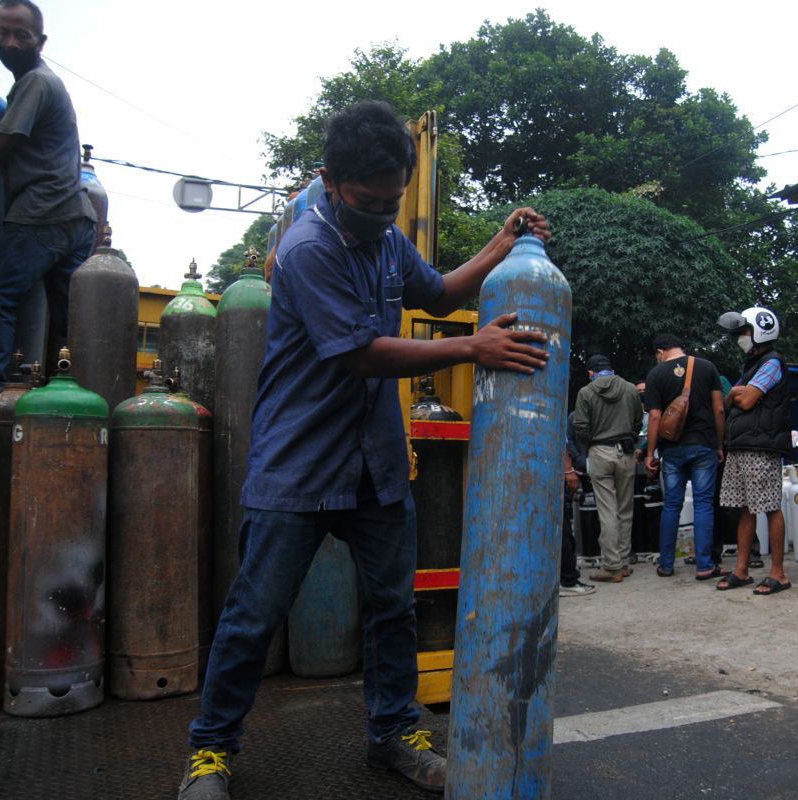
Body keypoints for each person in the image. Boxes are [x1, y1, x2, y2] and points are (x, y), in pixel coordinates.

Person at [178, 101, 552, 800]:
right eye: (370, 201)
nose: (384, 214)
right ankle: (209, 753)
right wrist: (474, 347)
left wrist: (500, 245)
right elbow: (359, 354)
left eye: (394, 202)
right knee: (254, 616)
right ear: (330, 180)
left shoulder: (382, 237)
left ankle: (392, 734)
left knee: (392, 609)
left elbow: (437, 292)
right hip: (298, 463)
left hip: (375, 462)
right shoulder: (309, 247)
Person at [0, 0, 96, 393]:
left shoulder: (36, 81)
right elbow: (9, 140)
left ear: (41, 41)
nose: (11, 42)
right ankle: (68, 389)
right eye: (2, 33)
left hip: (42, 211)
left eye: (22, 34)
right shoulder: (31, 85)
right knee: (68, 319)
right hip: (75, 213)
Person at [714, 306, 792, 596]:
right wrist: (737, 393)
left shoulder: (772, 362)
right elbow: (726, 403)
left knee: (770, 506)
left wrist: (737, 393)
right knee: (745, 508)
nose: (740, 339)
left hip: (762, 445)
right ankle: (742, 570)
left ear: (760, 332)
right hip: (742, 444)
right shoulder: (752, 365)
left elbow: (744, 401)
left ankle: (779, 574)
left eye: (744, 333)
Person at [642, 334, 724, 580]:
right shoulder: (707, 367)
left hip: (673, 450)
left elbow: (655, 418)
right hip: (703, 446)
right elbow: (719, 409)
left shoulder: (655, 375)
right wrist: (719, 444)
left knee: (672, 506)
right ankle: (705, 565)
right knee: (703, 504)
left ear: (660, 352)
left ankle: (666, 565)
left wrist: (650, 453)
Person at [573, 353, 642, 583]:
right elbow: (637, 421)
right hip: (626, 452)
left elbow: (580, 426)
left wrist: (591, 442)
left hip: (600, 452)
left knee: (607, 510)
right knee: (625, 510)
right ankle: (622, 562)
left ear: (591, 373)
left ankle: (611, 566)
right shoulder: (630, 389)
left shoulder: (586, 392)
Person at [560, 412, 595, 597]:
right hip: (554, 475)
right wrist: (568, 470)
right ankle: (567, 579)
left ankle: (566, 577)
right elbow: (562, 440)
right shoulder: (551, 407)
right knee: (563, 528)